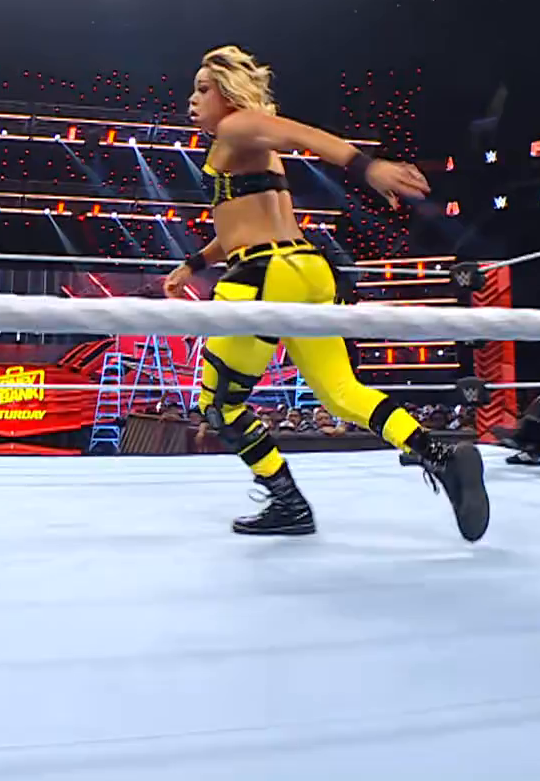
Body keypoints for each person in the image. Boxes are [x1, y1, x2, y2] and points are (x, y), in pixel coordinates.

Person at [161, 45, 488, 540]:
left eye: (203, 89)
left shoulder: (236, 127)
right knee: (340, 393)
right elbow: (240, 226)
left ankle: (288, 504)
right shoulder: (248, 145)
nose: (193, 99)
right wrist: (194, 264)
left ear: (228, 94)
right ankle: (440, 456)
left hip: (264, 275)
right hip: (306, 270)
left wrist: (368, 167)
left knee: (220, 407)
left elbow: (303, 134)